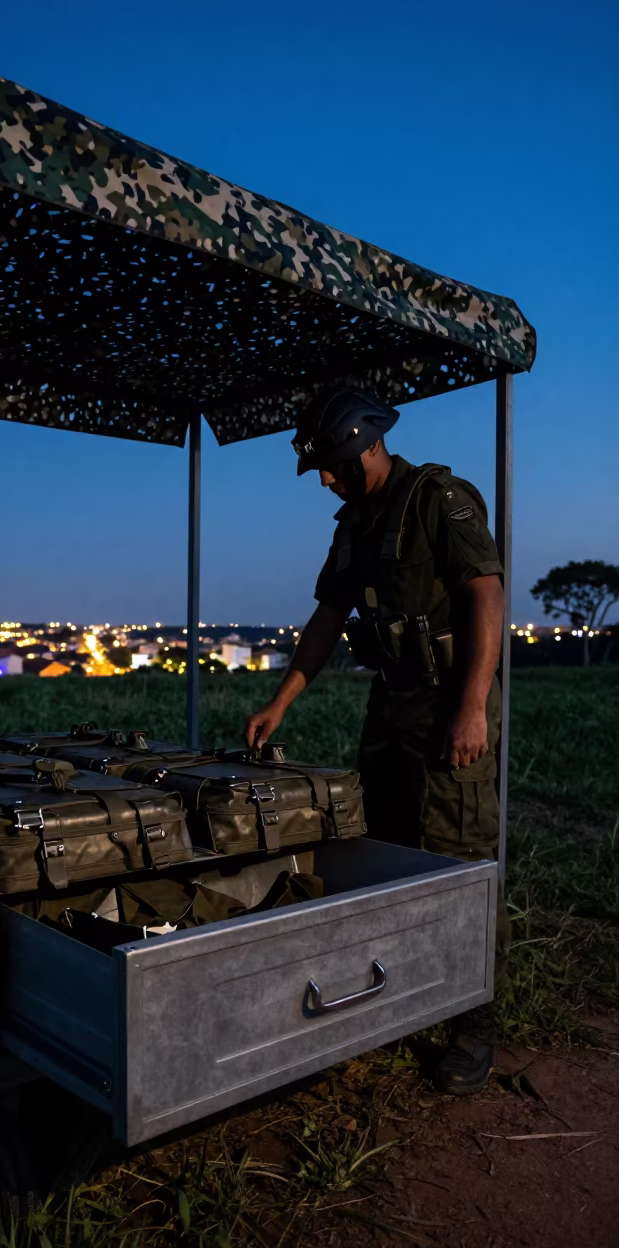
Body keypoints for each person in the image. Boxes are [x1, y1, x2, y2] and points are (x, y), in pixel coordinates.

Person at [244, 386, 509, 1096]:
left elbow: (487, 593)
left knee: (459, 858)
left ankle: (473, 1025)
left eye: (332, 465)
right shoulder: (354, 524)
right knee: (383, 851)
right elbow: (329, 617)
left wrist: (473, 708)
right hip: (388, 703)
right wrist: (281, 703)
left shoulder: (438, 500)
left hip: (448, 703)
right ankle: (401, 995)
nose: (325, 479)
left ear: (368, 444)